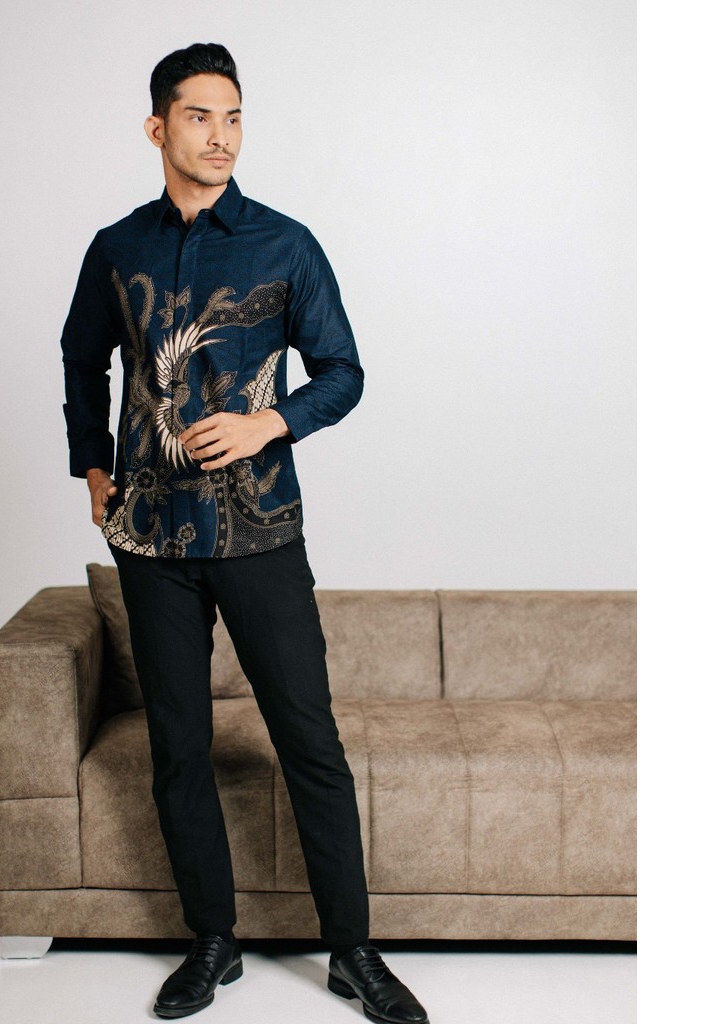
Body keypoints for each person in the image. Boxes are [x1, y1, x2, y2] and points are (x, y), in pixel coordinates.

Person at [59, 42, 429, 1024]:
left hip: (260, 533)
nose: (220, 136)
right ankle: (211, 942)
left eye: (233, 118)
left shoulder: (284, 244)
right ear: (158, 128)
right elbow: (80, 355)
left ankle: (352, 953)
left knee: (309, 740)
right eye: (199, 117)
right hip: (151, 541)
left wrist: (271, 423)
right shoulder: (116, 248)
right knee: (178, 746)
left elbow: (343, 372)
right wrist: (91, 466)